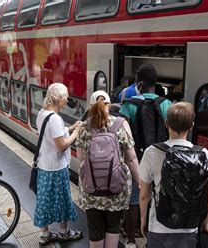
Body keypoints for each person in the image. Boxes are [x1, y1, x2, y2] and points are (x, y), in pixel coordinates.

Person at [139, 102, 208, 247]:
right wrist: (204, 224)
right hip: (189, 227)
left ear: (166, 124)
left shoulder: (151, 152)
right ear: (191, 125)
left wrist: (144, 221)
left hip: (159, 226)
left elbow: (144, 195)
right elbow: (207, 196)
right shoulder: (203, 154)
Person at [76, 91, 140, 248]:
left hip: (91, 190)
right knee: (113, 226)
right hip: (116, 189)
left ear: (91, 106)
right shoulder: (121, 124)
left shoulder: (84, 127)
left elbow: (81, 158)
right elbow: (131, 158)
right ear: (109, 105)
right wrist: (139, 182)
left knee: (95, 228)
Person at [119, 64, 172, 248]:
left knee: (135, 198)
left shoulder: (129, 105)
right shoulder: (166, 104)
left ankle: (132, 240)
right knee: (158, 195)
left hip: (136, 157)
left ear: (139, 83)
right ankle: (154, 236)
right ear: (154, 83)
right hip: (161, 158)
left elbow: (122, 135)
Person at [33, 83, 83, 246]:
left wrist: (70, 128)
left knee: (44, 200)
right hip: (56, 167)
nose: (67, 100)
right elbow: (61, 145)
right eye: (66, 97)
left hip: (44, 165)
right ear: (59, 99)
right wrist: (76, 132)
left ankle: (45, 234)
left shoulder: (42, 113)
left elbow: (52, 134)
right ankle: (64, 232)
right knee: (61, 200)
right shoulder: (55, 119)